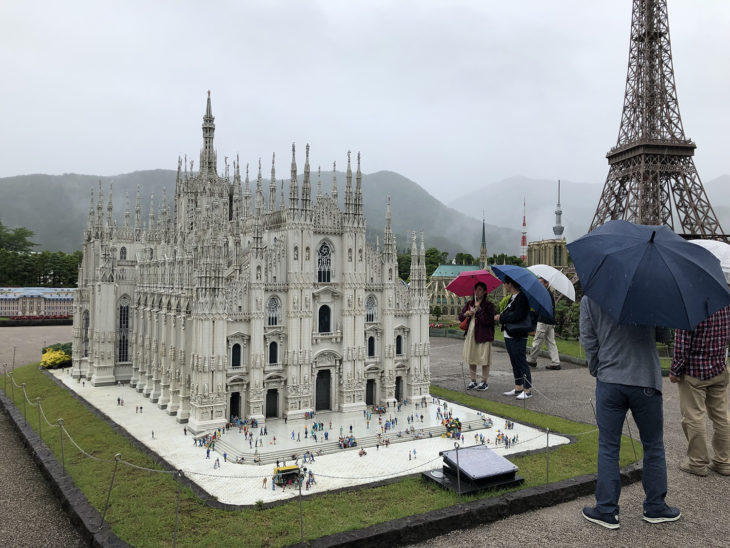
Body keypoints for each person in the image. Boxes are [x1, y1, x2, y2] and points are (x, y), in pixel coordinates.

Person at [580, 295, 680, 528]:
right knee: (653, 446)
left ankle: (606, 509)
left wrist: (597, 367)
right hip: (645, 377)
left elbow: (588, 339)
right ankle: (655, 506)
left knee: (608, 446)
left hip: (610, 378)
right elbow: (663, 336)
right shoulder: (650, 294)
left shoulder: (591, 298)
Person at [669, 305, 730, 476]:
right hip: (719, 367)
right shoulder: (725, 305)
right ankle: (724, 461)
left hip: (695, 371)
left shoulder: (689, 307)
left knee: (693, 416)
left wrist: (675, 370)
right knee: (722, 417)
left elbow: (681, 344)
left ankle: (697, 462)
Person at [496, 276, 532, 399]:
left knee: (521, 361)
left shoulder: (522, 298)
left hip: (518, 334)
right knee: (514, 361)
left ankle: (527, 390)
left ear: (510, 284)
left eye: (505, 283)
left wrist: (502, 318)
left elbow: (518, 316)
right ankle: (518, 387)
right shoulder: (512, 298)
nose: (504, 286)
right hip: (509, 333)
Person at [458, 281, 495, 391]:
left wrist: (479, 310)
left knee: (484, 358)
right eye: (475, 290)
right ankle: (473, 380)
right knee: (472, 357)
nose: (477, 292)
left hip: (484, 334)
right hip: (471, 333)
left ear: (484, 291)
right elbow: (460, 317)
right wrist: (466, 314)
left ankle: (484, 382)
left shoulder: (489, 305)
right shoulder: (469, 303)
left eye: (479, 289)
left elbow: (488, 321)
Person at [526, 277, 561, 370]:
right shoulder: (548, 294)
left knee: (537, 340)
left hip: (544, 320)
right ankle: (556, 361)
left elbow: (541, 308)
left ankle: (531, 360)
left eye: (540, 283)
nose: (539, 285)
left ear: (546, 284)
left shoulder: (545, 294)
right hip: (550, 321)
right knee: (551, 342)